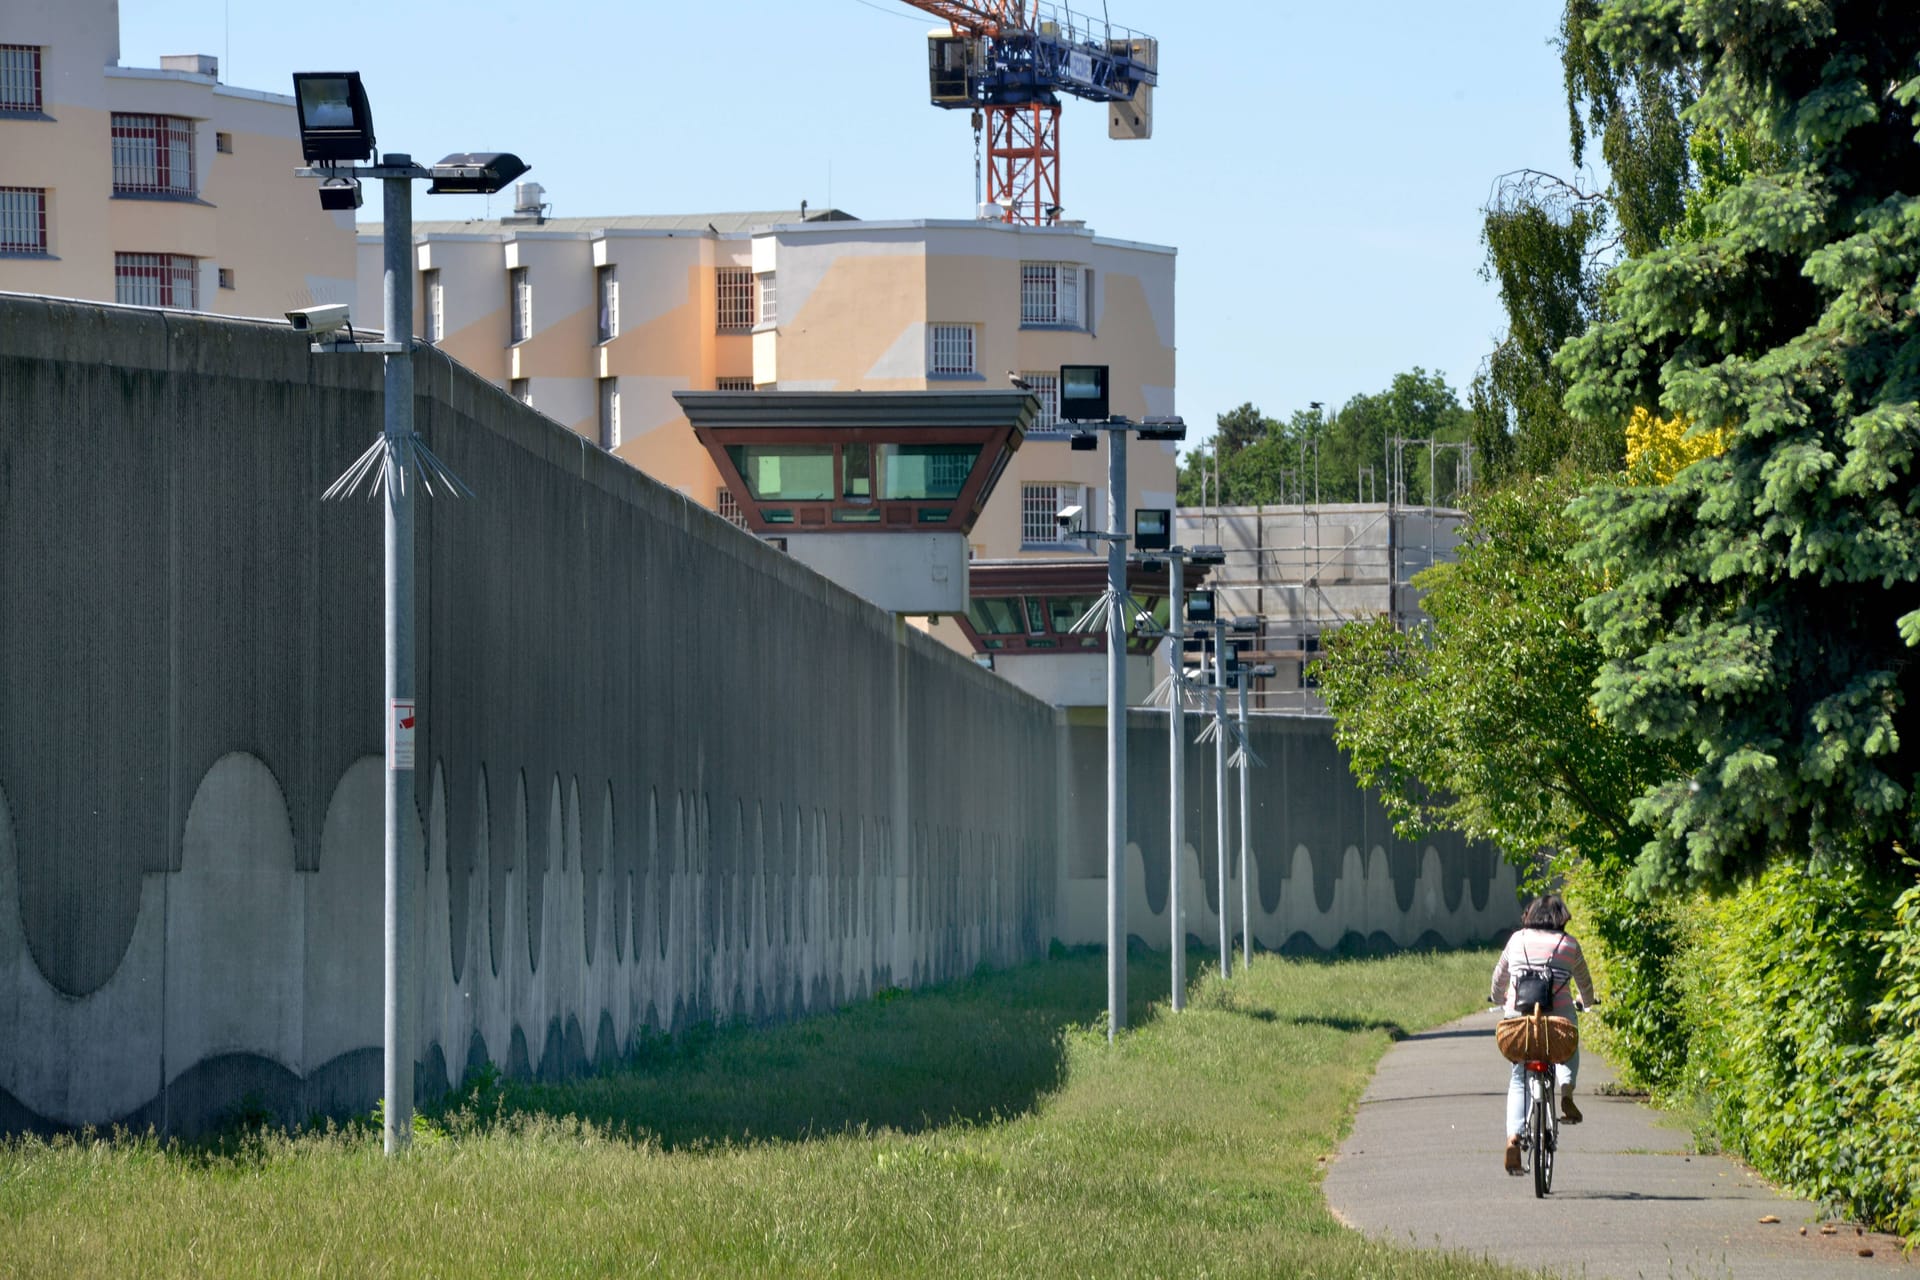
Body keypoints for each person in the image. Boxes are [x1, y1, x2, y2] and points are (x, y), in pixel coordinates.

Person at [1489, 892, 1597, 1175]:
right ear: (1562, 918)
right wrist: (1586, 1003)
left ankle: (1514, 1136)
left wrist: (1499, 998)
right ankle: (1567, 1090)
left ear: (1530, 916)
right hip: (1556, 1025)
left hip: (1519, 1023)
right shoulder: (1569, 944)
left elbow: (1499, 979)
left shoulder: (1516, 940)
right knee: (1569, 1044)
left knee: (1519, 1078)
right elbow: (1585, 983)